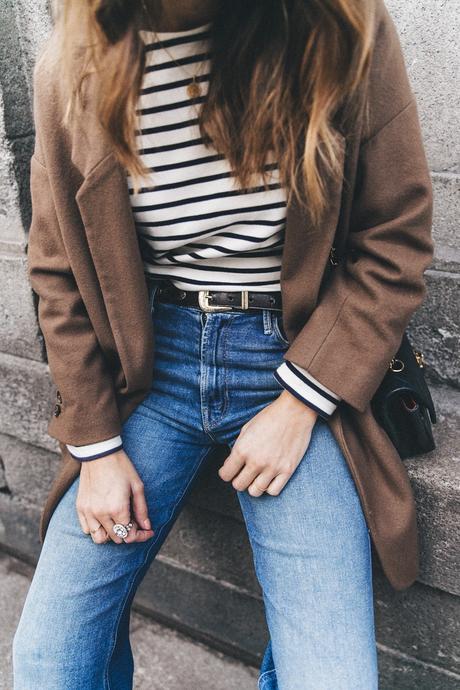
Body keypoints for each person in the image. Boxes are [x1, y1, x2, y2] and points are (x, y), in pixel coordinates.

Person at [12, 0, 434, 688]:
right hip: (150, 370)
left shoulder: (341, 24)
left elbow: (395, 237)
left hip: (296, 359)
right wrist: (95, 446)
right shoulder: (82, 46)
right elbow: (58, 269)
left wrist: (301, 404)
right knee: (47, 665)